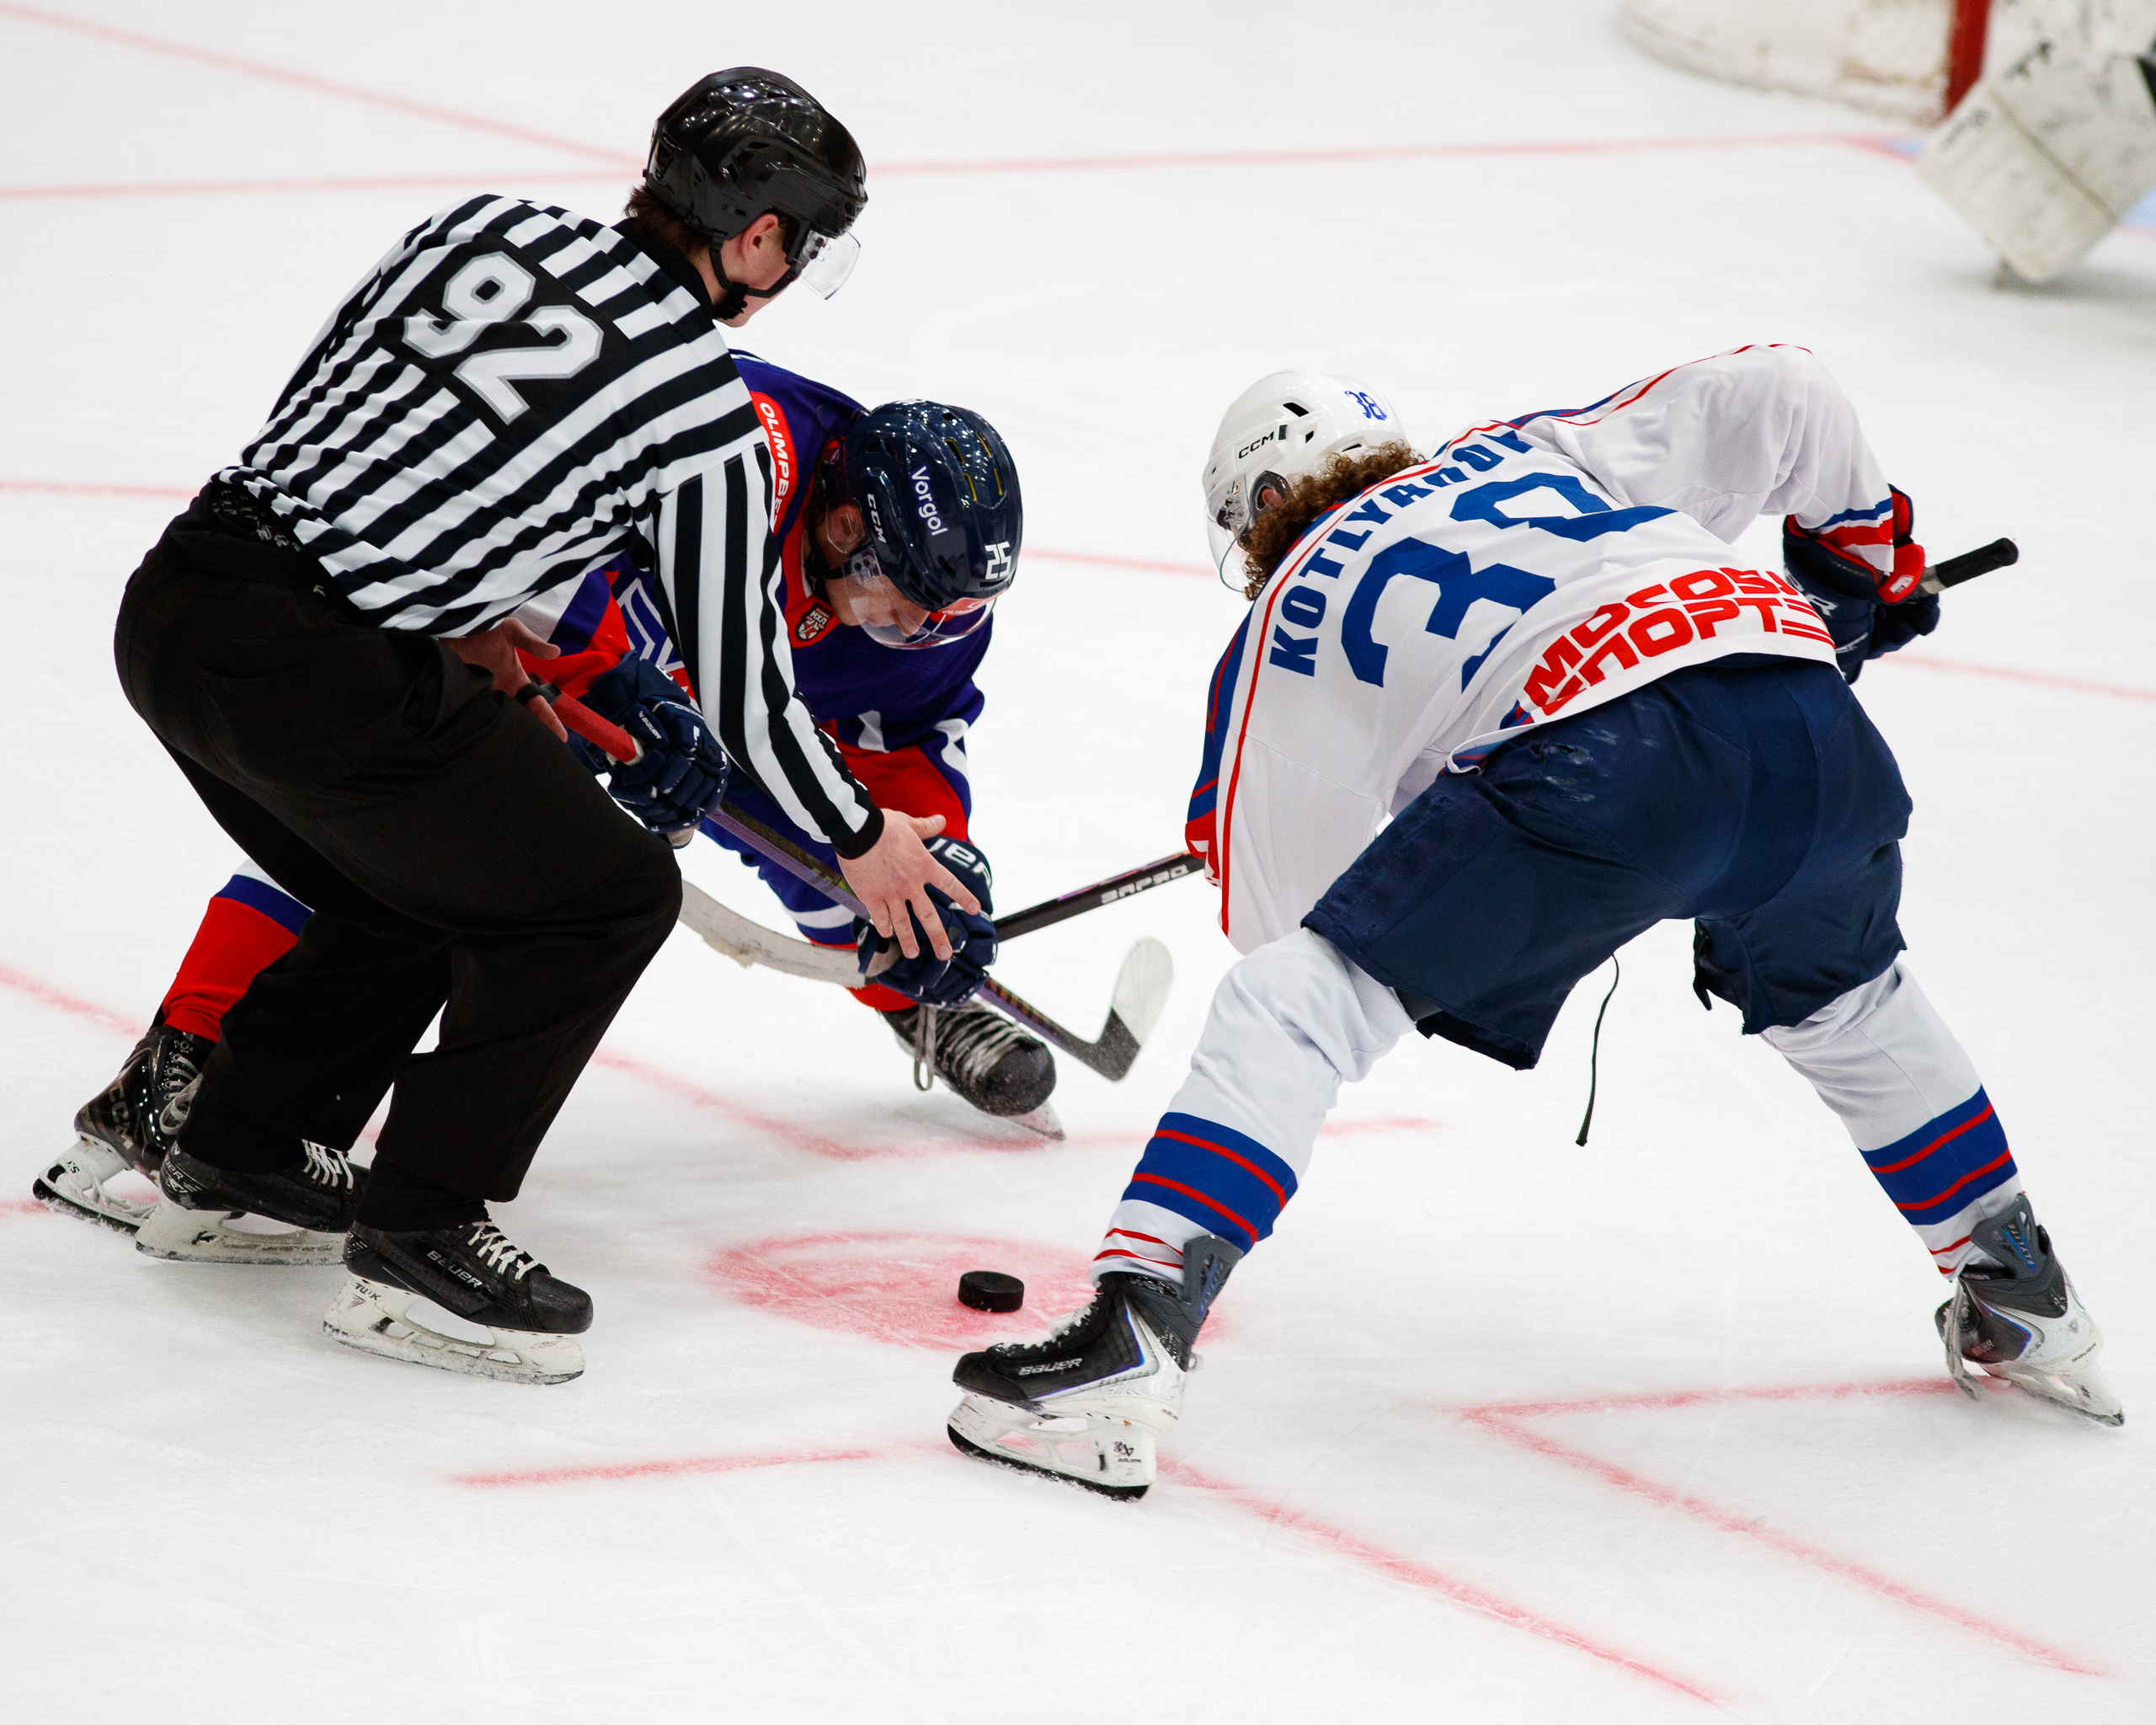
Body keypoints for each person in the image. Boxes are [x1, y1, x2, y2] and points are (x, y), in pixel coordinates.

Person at [945, 348, 2121, 1498]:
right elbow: (1788, 391)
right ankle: (2019, 1286)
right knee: (1850, 1006)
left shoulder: (1285, 614)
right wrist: (1856, 574)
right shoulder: (1527, 453)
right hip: (1808, 714)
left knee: (1289, 1006)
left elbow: (1282, 925)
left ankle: (1131, 1337)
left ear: (1259, 504)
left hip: (1611, 764)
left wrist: (1412, 838)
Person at [107, 68, 979, 1386]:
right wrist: (865, 839)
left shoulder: (482, 227)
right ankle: (420, 1232)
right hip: (321, 675)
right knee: (607, 897)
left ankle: (241, 1154)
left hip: (176, 608)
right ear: (757, 238)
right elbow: (748, 697)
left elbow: (332, 439)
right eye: (803, 248)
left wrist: (481, 635)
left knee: (425, 874)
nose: (794, 275)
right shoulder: (698, 406)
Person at [41, 363, 1044, 1237]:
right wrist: (596, 677)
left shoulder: (922, 606)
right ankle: (186, 1053)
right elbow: (518, 532)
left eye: (946, 615)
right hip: (508, 635)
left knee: (859, 844)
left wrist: (934, 874)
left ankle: (912, 988)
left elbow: (903, 747)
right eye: (907, 603)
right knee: (387, 816)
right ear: (844, 525)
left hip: (707, 698)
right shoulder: (732, 443)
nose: (918, 629)